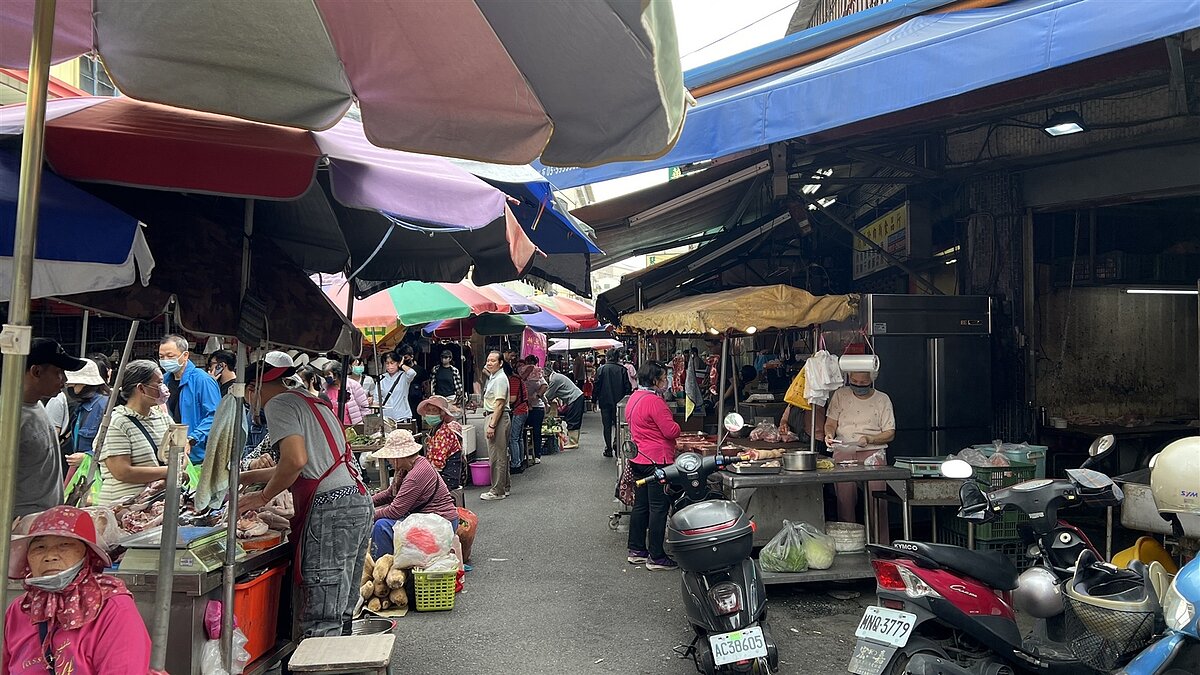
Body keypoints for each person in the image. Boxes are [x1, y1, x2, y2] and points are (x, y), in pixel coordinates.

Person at [239, 351, 371, 638]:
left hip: (332, 508)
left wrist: (262, 497)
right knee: (341, 606)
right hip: (357, 502)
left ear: (252, 389)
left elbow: (294, 462)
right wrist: (246, 478)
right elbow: (305, 465)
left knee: (322, 614)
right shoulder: (315, 402)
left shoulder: (278, 404)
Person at [4, 506, 152, 674]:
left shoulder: (113, 607)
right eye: (39, 547)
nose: (50, 555)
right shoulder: (20, 609)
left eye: (64, 545)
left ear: (86, 554)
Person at [824, 369, 896, 539]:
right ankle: (849, 542)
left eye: (863, 383)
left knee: (877, 500)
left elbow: (890, 433)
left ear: (871, 379)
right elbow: (830, 423)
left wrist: (870, 439)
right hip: (844, 450)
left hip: (873, 453)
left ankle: (881, 543)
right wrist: (829, 434)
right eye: (854, 381)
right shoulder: (840, 395)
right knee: (845, 500)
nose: (858, 385)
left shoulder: (882, 399)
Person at [17, 339, 85, 518]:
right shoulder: (10, 418)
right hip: (17, 527)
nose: (65, 379)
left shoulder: (37, 404)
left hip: (42, 521)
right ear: (36, 371)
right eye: (58, 372)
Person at [625, 361, 680, 571]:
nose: (666, 382)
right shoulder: (654, 402)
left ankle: (637, 550)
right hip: (656, 460)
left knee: (641, 506)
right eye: (664, 378)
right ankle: (656, 556)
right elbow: (670, 431)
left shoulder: (635, 397)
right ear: (656, 380)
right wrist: (677, 425)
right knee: (659, 508)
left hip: (639, 458)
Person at [368, 429, 459, 557]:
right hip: (428, 519)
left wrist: (368, 515)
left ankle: (384, 567)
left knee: (381, 526)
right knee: (380, 520)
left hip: (440, 524)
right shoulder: (406, 469)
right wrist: (367, 502)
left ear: (398, 457)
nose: (388, 460)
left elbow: (395, 511)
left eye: (389, 457)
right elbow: (389, 494)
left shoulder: (415, 476)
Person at [97, 360, 172, 505]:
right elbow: (122, 472)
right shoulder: (117, 423)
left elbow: (181, 456)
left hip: (156, 504)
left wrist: (166, 477)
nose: (164, 388)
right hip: (123, 507)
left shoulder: (164, 419)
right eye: (159, 383)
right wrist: (170, 472)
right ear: (141, 388)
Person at [158, 335, 220, 465]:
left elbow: (215, 416)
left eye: (170, 356)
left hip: (199, 456)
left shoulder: (202, 380)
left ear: (185, 355)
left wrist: (192, 439)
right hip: (170, 453)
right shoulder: (164, 381)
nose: (165, 360)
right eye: (161, 357)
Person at [45, 358, 110, 473]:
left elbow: (111, 445)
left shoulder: (104, 406)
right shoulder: (82, 407)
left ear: (86, 384)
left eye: (74, 384)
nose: (69, 386)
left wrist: (88, 457)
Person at [479, 351, 512, 501]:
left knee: (496, 456)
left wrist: (492, 425)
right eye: (488, 360)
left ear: (500, 363)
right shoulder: (495, 376)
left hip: (496, 417)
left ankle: (497, 491)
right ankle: (504, 487)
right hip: (495, 416)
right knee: (500, 453)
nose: (489, 363)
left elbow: (499, 404)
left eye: (493, 361)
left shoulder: (500, 379)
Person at [417, 395, 464, 489]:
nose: (430, 414)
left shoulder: (443, 433)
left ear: (442, 414)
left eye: (434, 411)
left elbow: (438, 464)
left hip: (446, 478)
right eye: (428, 410)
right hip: (439, 475)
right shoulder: (435, 430)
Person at [592, 349, 632, 457]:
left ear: (607, 357)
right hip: (619, 402)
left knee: (607, 426)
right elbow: (628, 387)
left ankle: (608, 448)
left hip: (604, 401)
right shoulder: (622, 370)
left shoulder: (601, 370)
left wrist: (593, 400)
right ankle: (617, 444)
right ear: (617, 358)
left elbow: (596, 386)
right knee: (619, 425)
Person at [544, 364, 584, 449]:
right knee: (574, 418)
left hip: (574, 398)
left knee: (572, 419)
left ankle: (573, 442)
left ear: (546, 375)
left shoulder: (555, 380)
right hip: (576, 397)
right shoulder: (556, 377)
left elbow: (548, 395)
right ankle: (574, 441)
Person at [519, 355, 548, 462]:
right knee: (522, 433)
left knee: (535, 432)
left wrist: (536, 395)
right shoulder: (521, 374)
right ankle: (524, 454)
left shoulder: (538, 374)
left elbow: (545, 386)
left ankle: (536, 455)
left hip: (536, 408)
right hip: (525, 407)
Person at [323, 361, 369, 425]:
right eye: (325, 375)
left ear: (336, 374)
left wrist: (364, 424)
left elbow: (364, 408)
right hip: (334, 426)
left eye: (328, 374)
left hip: (353, 426)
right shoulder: (325, 390)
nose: (326, 377)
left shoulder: (354, 386)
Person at [377, 351, 417, 423]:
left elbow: (412, 373)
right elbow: (376, 398)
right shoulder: (381, 378)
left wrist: (401, 365)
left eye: (392, 363)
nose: (389, 366)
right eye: (387, 363)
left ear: (397, 363)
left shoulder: (404, 376)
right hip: (386, 417)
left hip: (402, 415)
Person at [507, 357, 530, 475]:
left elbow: (512, 399)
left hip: (519, 410)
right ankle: (520, 461)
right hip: (523, 409)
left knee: (513, 438)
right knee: (519, 437)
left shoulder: (514, 380)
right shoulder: (517, 378)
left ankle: (516, 463)